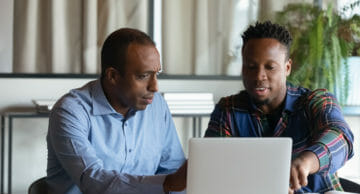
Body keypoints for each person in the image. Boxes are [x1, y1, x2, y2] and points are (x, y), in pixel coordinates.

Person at [204, 21, 354, 193]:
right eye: (251, 67)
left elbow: (341, 138)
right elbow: (213, 166)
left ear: (287, 67)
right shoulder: (228, 109)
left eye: (270, 67)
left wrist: (306, 162)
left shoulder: (316, 101)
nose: (259, 76)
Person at [46, 28, 186, 194]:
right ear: (113, 76)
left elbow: (173, 171)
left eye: (156, 74)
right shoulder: (70, 112)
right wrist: (168, 183)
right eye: (143, 76)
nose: (154, 87)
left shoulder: (157, 106)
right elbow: (93, 181)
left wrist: (176, 181)